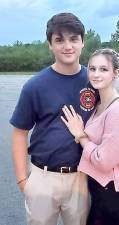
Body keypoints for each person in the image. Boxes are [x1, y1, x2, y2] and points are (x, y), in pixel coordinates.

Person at [10, 12, 98, 225]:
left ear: (83, 42)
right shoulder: (35, 86)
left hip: (82, 177)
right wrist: (23, 180)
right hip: (43, 176)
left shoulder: (95, 82)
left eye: (74, 39)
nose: (67, 46)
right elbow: (20, 133)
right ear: (50, 44)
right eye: (59, 40)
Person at [61, 48, 119, 225]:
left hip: (113, 195)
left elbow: (104, 161)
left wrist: (80, 135)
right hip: (98, 190)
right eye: (92, 68)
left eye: (103, 69)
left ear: (115, 73)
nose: (96, 74)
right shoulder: (99, 106)